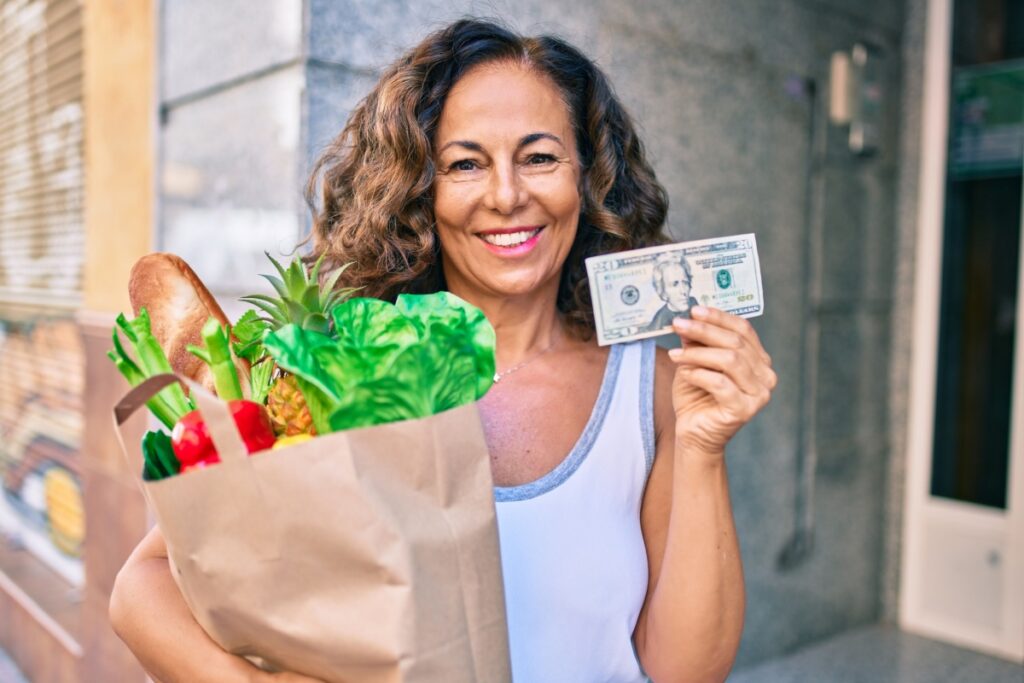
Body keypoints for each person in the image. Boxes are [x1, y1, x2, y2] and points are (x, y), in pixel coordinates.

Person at [109, 19, 776, 683]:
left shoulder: (650, 384)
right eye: (465, 163)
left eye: (540, 157)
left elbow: (685, 668)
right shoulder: (338, 370)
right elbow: (142, 585)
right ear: (420, 190)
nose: (508, 195)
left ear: (589, 177)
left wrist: (703, 446)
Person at [645, 256, 700, 332]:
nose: (683, 291)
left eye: (685, 282)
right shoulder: (659, 322)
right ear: (663, 292)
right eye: (674, 284)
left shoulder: (693, 302)